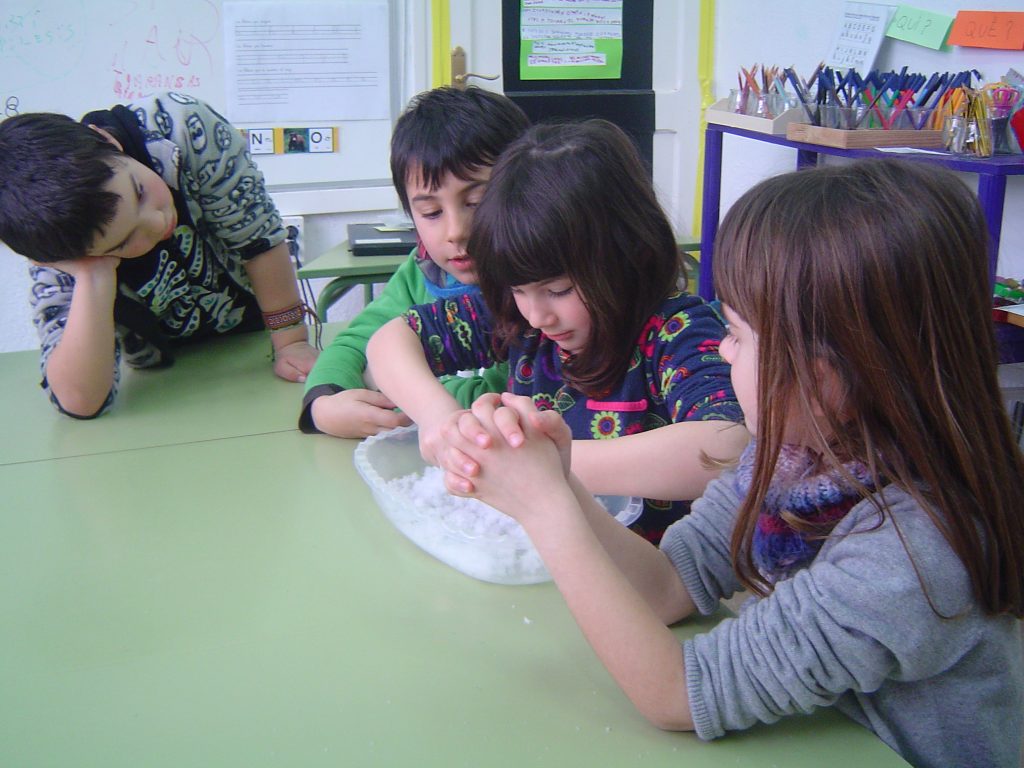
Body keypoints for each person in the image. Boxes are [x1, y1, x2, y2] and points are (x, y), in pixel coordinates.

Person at [436, 159, 1024, 768]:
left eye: (739, 334)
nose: (721, 348)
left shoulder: (915, 551)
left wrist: (546, 508)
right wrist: (561, 478)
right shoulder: (796, 460)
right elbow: (669, 585)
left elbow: (678, 694)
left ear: (834, 371)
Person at [367, 120, 748, 543]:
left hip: (648, 568)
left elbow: (729, 446)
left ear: (630, 254)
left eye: (559, 290)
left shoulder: (676, 331)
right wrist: (441, 422)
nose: (536, 316)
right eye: (517, 289)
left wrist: (545, 465)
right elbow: (389, 340)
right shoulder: (519, 320)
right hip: (546, 556)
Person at [0, 91, 318, 418]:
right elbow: (81, 402)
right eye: (123, 242)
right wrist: (92, 274)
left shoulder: (180, 126)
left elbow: (256, 237)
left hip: (255, 339)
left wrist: (291, 341)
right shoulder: (61, 243)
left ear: (105, 139)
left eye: (139, 192)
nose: (157, 222)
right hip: (167, 379)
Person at [299, 86, 529, 438]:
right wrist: (324, 403)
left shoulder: (536, 286)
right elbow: (353, 345)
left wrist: (393, 385)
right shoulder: (423, 272)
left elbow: (502, 401)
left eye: (477, 202)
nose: (456, 232)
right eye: (431, 212)